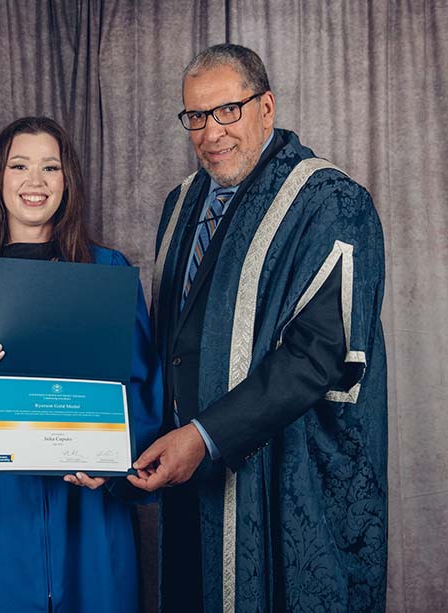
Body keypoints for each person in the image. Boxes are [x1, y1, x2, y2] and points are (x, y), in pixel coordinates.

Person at [128, 44, 387, 612]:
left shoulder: (331, 202)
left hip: (287, 475)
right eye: (196, 116)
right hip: (186, 472)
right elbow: (166, 344)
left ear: (266, 107)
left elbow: (317, 355)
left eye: (228, 111)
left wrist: (204, 436)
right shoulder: (181, 204)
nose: (211, 132)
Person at [0, 116, 162, 613]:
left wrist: (114, 464)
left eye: (50, 167)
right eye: (20, 166)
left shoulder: (107, 269)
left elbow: (141, 384)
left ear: (67, 181)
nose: (35, 182)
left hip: (87, 496)